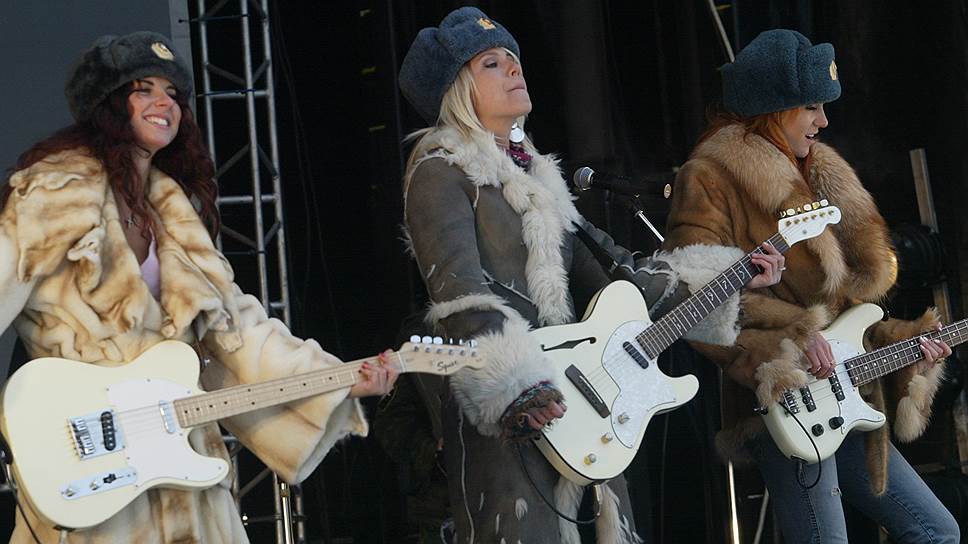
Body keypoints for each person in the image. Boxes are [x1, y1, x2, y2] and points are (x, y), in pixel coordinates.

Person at [397, 8, 785, 542]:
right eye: (491, 62)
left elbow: (620, 278)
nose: (513, 68)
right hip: (509, 412)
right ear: (456, 90)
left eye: (513, 57)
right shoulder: (438, 171)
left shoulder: (540, 180)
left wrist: (732, 273)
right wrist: (520, 390)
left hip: (579, 408)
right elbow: (461, 298)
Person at [0, 31, 397, 543]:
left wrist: (339, 381)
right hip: (90, 467)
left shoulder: (173, 213)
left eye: (172, 93)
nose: (164, 103)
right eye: (143, 89)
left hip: (179, 462)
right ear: (106, 104)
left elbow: (238, 333)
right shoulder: (52, 195)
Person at [662, 29, 959, 543]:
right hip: (782, 404)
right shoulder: (708, 176)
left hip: (845, 399)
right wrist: (790, 342)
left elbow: (846, 314)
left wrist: (911, 346)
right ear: (772, 109)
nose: (823, 122)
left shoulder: (818, 174)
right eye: (811, 107)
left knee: (936, 531)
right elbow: (694, 301)